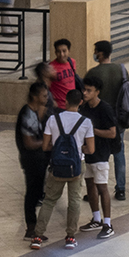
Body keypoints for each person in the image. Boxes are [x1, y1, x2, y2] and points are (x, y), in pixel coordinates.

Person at [40, 87, 95, 246]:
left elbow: (45, 146)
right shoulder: (86, 122)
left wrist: (58, 148)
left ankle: (38, 235)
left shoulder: (52, 120)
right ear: (80, 102)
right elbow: (91, 149)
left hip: (57, 165)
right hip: (77, 166)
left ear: (65, 101)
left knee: (49, 200)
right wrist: (78, 149)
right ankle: (70, 236)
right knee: (74, 201)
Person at [86, 38, 129, 203]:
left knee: (98, 156)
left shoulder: (93, 73)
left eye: (96, 51)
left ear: (100, 52)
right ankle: (121, 189)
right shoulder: (121, 69)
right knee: (119, 152)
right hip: (119, 119)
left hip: (99, 120)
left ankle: (97, 188)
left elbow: (86, 96)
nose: (95, 54)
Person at [77, 76, 117, 238]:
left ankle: (107, 223)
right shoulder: (84, 108)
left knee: (102, 187)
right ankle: (96, 218)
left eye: (89, 90)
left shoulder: (105, 109)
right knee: (90, 186)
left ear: (97, 92)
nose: (85, 93)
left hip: (101, 154)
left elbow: (112, 132)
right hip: (87, 155)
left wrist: (93, 131)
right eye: (84, 89)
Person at [15, 79, 52, 241]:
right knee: (32, 193)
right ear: (35, 96)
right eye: (44, 95)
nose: (47, 98)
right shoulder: (27, 114)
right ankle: (31, 228)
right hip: (31, 161)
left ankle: (34, 227)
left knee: (37, 191)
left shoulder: (36, 112)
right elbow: (29, 142)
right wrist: (46, 145)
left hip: (39, 160)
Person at [45, 36, 79, 110]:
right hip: (59, 107)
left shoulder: (72, 62)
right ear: (55, 52)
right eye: (58, 51)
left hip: (72, 105)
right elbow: (45, 85)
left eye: (64, 51)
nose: (61, 54)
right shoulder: (51, 67)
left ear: (69, 51)